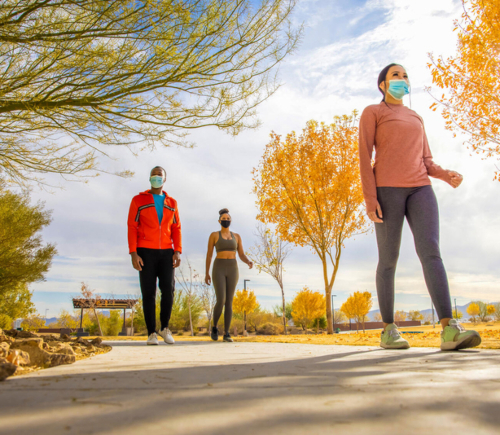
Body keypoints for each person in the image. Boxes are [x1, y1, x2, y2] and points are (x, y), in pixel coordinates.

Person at [358, 63, 481, 351]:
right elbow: (364, 155)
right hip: (387, 191)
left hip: (420, 188)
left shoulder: (416, 117)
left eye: (404, 75)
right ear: (383, 85)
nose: (402, 79)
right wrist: (370, 198)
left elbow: (426, 160)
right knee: (388, 259)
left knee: (431, 253)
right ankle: (389, 329)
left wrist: (444, 174)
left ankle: (449, 328)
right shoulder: (373, 112)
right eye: (395, 75)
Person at [127, 166, 182, 345]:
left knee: (168, 290)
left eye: (160, 175)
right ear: (149, 178)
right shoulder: (138, 200)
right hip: (145, 251)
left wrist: (177, 251)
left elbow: (176, 228)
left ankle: (165, 328)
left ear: (164, 179)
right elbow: (132, 226)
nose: (157, 177)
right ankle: (151, 333)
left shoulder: (172, 203)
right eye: (154, 174)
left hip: (167, 252)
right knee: (148, 292)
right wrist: (133, 253)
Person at [205, 208, 253, 342]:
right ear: (219, 221)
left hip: (233, 268)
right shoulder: (214, 235)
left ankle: (226, 333)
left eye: (228, 219)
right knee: (221, 300)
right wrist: (206, 273)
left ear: (230, 221)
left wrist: (248, 261)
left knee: (229, 302)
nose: (226, 221)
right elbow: (209, 255)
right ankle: (214, 327)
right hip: (218, 267)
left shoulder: (236, 236)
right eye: (223, 219)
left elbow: (241, 254)